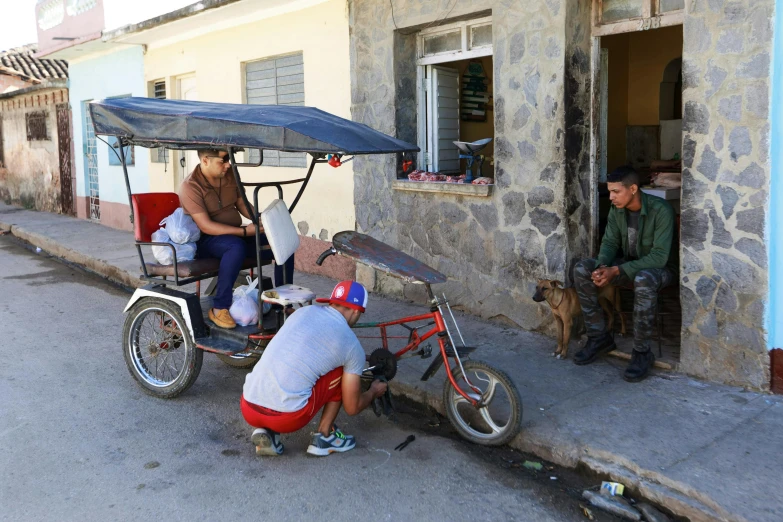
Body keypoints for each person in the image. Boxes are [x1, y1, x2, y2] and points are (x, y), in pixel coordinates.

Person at [240, 281, 388, 457]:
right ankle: (324, 437)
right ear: (357, 311)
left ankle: (267, 432)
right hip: (288, 418)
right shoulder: (351, 345)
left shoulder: (303, 312)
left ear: (332, 302)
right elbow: (352, 407)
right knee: (342, 371)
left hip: (248, 407)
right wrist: (373, 392)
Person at [572, 166, 678, 382]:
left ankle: (641, 353)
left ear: (632, 189)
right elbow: (610, 242)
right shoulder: (616, 210)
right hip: (629, 264)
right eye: (609, 192)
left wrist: (617, 270)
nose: (611, 197)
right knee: (582, 269)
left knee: (644, 278)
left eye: (616, 192)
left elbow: (659, 257)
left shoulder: (662, 210)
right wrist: (602, 267)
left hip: (662, 271)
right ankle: (598, 336)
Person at [179, 149, 294, 329]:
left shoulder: (230, 173)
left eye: (230, 159)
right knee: (235, 246)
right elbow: (205, 225)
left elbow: (241, 203)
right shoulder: (190, 186)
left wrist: (260, 220)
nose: (228, 165)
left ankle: (282, 303)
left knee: (280, 243)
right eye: (223, 160)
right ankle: (219, 307)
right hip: (207, 240)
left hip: (236, 234)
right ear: (206, 160)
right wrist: (244, 231)